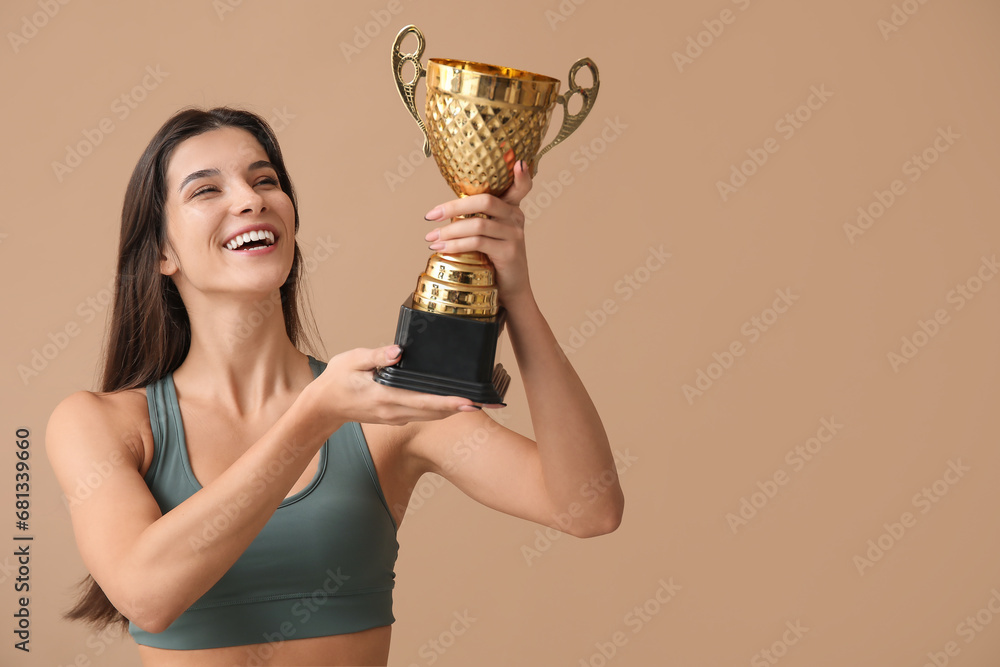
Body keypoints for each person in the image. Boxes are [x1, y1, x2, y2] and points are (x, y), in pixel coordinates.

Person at [46, 107, 624, 666]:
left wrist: (515, 293)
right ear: (163, 252)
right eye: (206, 190)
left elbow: (588, 507)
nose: (250, 199)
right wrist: (313, 417)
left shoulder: (382, 410)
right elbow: (147, 594)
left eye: (265, 180)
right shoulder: (100, 424)